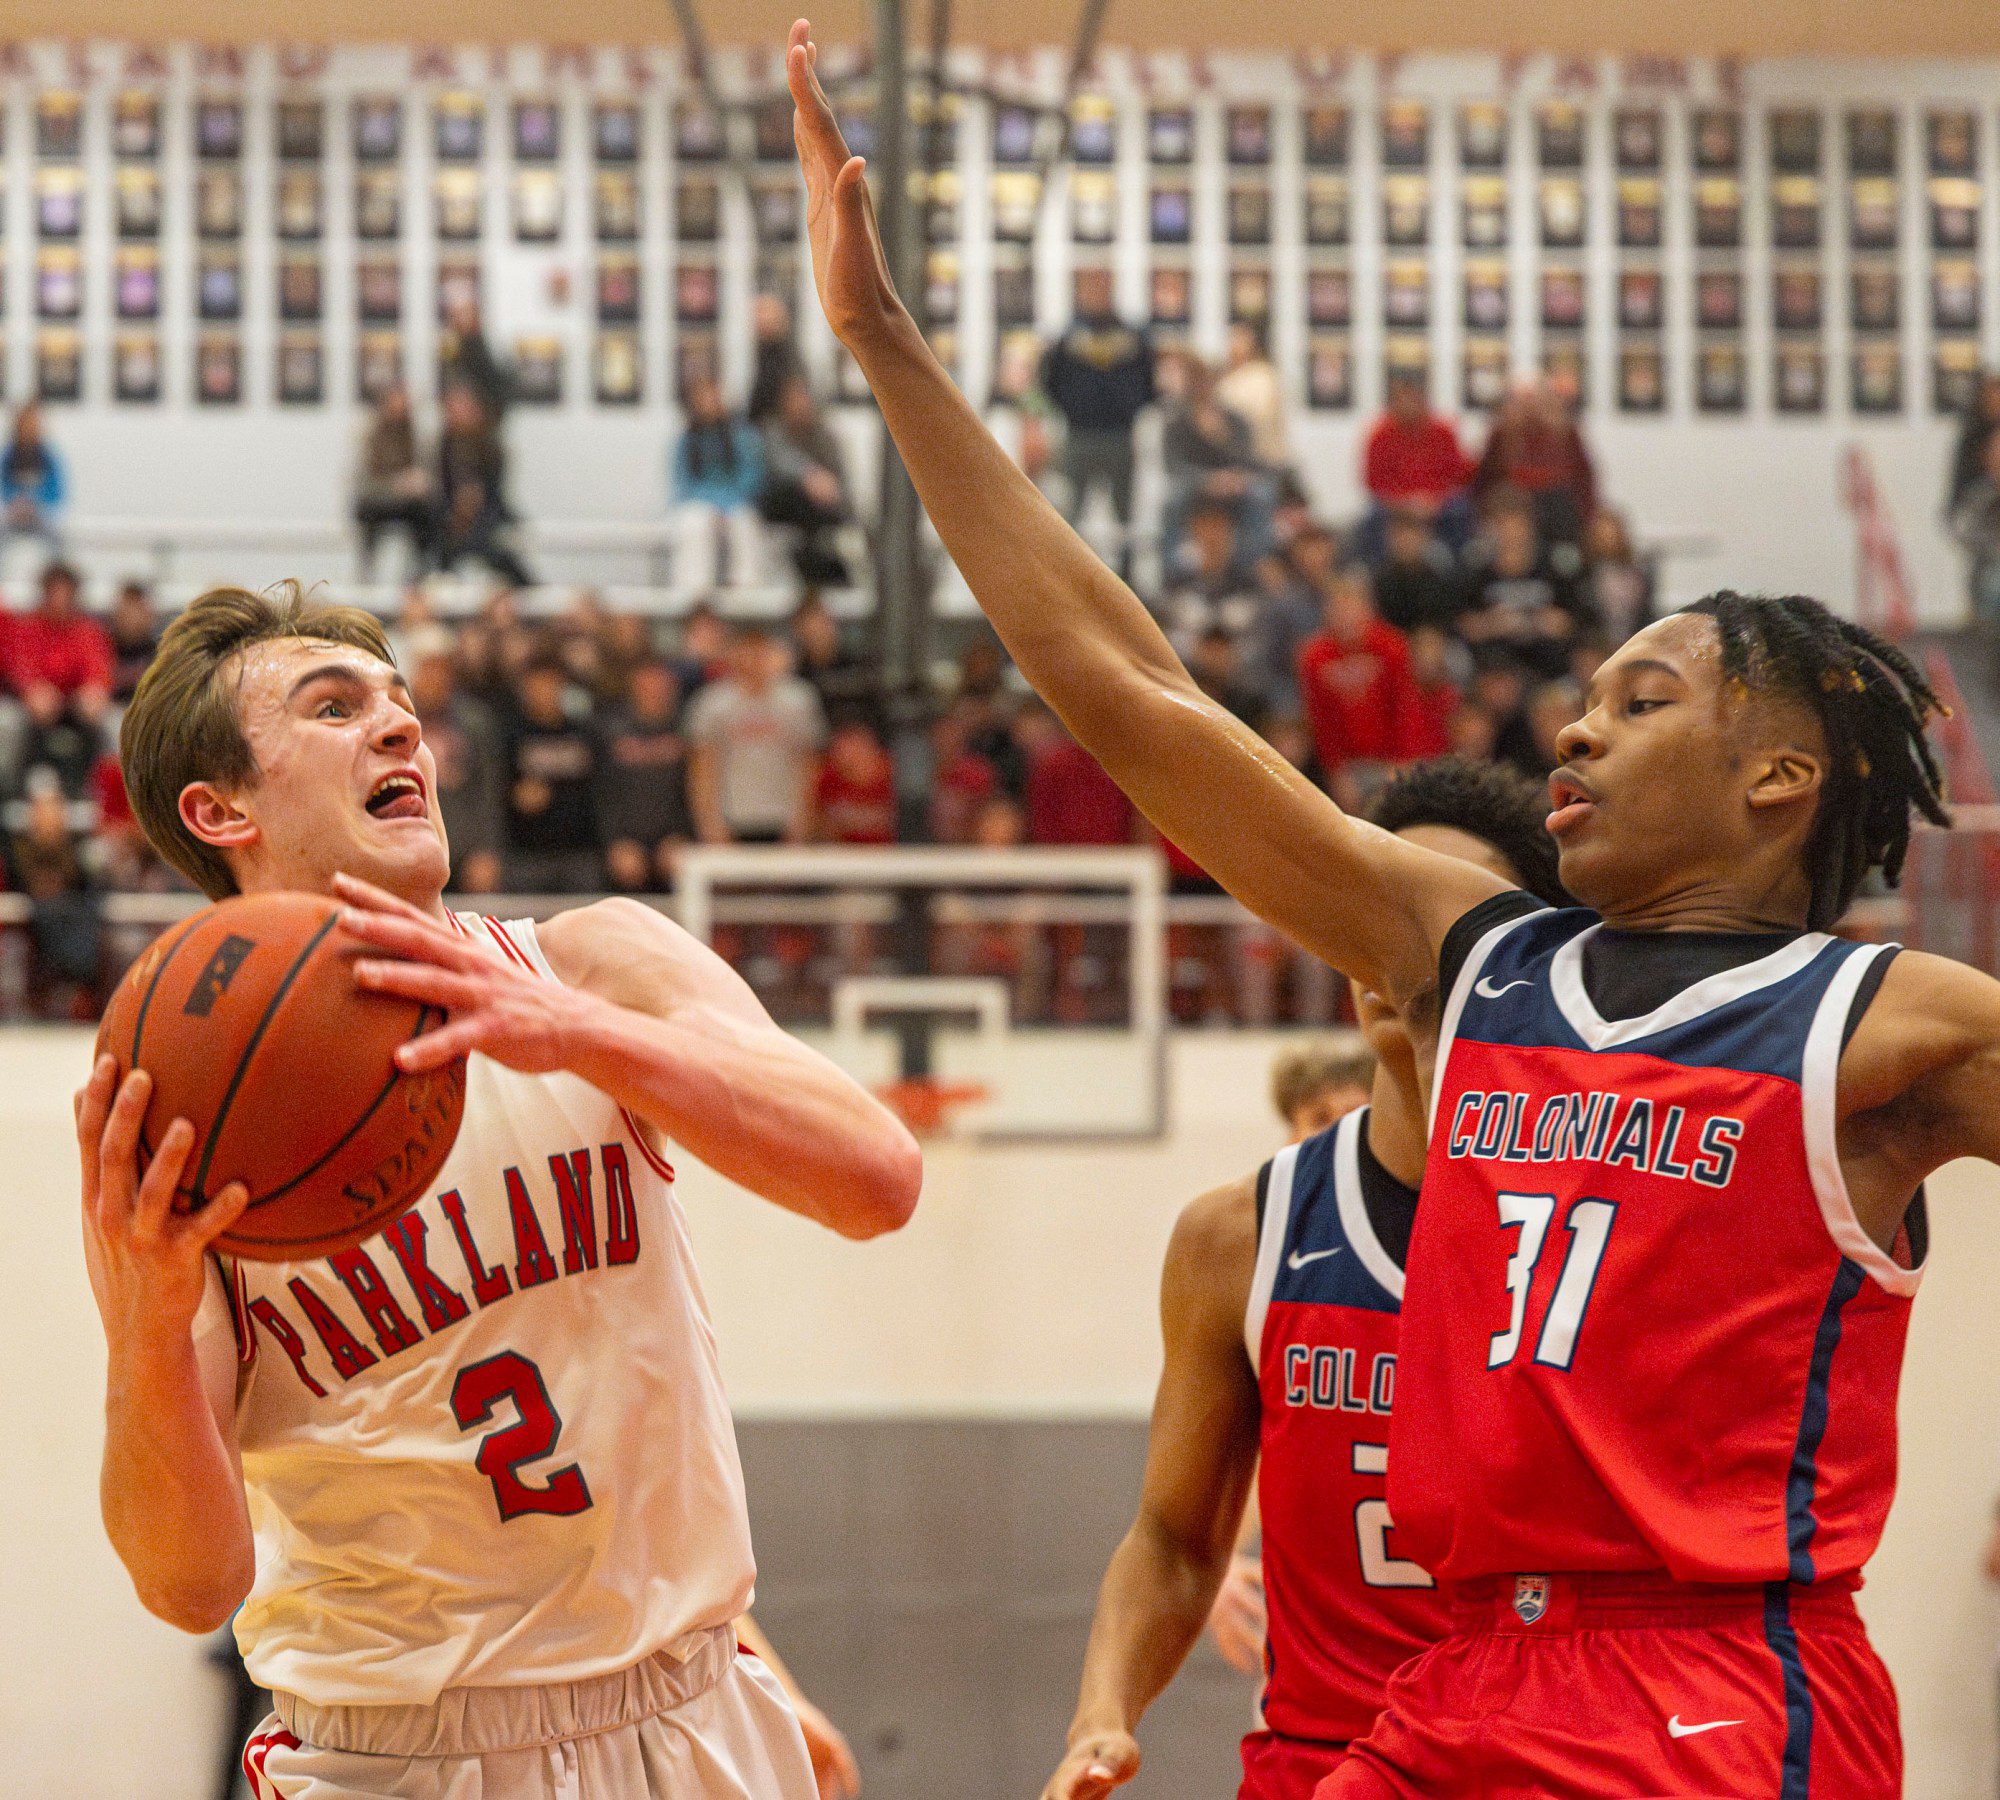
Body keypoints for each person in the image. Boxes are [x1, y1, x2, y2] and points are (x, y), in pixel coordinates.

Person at [790, 37, 2000, 1790]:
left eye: (1644, 701)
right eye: (1585, 696)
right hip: (1451, 1684)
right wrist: (888, 354)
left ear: (1781, 779)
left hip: (1712, 1692)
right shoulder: (1477, 953)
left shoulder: (1886, 1030)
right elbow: (1133, 692)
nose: (1576, 726)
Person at [88, 582, 921, 1798]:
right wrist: (151, 1332)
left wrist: (574, 1030)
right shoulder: (182, 1107)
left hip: (689, 1709)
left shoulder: (590, 961)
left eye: (400, 705)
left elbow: (874, 1179)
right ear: (217, 809)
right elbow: (186, 1586)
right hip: (396, 1750)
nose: (399, 729)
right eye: (334, 708)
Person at [1044, 760, 1568, 1800]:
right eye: (1372, 914)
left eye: (1436, 926)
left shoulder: (1602, 1223)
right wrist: (1100, 1712)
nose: (1395, 954)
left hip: (1546, 1769)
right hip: (1317, 1767)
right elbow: (1175, 1537)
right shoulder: (1236, 1236)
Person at [1038, 266, 1155, 579]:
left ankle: (1127, 581)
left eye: (1102, 286)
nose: (1097, 293)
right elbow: (1050, 381)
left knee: (1125, 515)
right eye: (1091, 286)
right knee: (1070, 513)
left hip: (1119, 436)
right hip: (1080, 435)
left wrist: (1128, 409)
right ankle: (1068, 575)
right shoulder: (1067, 339)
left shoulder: (1132, 338)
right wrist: (1073, 409)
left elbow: (1149, 383)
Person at [685, 624, 826, 845]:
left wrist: (802, 819)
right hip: (732, 816)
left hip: (783, 817)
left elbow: (809, 764)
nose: (751, 660)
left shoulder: (798, 700)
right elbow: (702, 767)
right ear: (732, 654)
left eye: (758, 652)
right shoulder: (712, 702)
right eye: (745, 651)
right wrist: (709, 823)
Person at [1295, 568, 1423, 806]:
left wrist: (1403, 761)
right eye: (1339, 609)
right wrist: (1336, 771)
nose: (1346, 618)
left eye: (1352, 608)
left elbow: (1405, 707)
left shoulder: (1392, 647)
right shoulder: (1314, 657)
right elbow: (1321, 719)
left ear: (1367, 609)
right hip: (1347, 767)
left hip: (1390, 759)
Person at [501, 657, 603, 892]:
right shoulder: (511, 735)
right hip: (527, 854)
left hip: (580, 851)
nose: (544, 691)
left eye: (550, 683)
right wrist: (516, 795)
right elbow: (497, 790)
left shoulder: (584, 733)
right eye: (537, 684)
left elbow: (600, 790)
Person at [597, 659, 694, 892]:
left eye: (660, 684)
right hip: (624, 841)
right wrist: (614, 841)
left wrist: (683, 835)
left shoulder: (687, 729)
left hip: (673, 839)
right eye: (647, 683)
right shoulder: (610, 730)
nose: (654, 691)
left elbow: (696, 790)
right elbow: (601, 792)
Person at [1470, 380, 1597, 547]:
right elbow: (1484, 481)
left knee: (1558, 503)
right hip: (1512, 504)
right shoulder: (1502, 436)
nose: (1531, 409)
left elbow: (1582, 482)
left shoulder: (1566, 435)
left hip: (1553, 507)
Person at [1358, 377, 1471, 561]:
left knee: (1460, 511)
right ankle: (1378, 570)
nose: (1408, 406)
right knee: (1372, 518)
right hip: (1394, 505)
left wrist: (1434, 501)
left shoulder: (1444, 433)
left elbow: (1457, 475)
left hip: (1438, 503)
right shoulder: (1379, 436)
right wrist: (1405, 504)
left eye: (1414, 400)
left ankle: (1456, 568)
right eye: (1402, 400)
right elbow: (1374, 483)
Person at [673, 376, 768, 590]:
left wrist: (726, 505)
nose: (709, 403)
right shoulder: (686, 440)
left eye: (713, 396)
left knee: (744, 523)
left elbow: (753, 476)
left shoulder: (743, 435)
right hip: (700, 504)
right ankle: (695, 592)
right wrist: (711, 505)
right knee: (694, 523)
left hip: (736, 503)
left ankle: (746, 591)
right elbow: (682, 482)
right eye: (703, 398)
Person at [435, 385, 533, 587]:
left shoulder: (489, 446)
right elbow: (445, 491)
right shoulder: (445, 447)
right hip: (452, 522)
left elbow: (494, 492)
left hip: (487, 518)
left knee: (501, 555)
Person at [760, 376, 852, 586]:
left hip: (821, 507)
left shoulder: (823, 435)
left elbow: (838, 477)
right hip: (784, 502)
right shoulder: (773, 429)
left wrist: (826, 485)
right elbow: (777, 463)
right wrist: (809, 476)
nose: (800, 405)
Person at [352, 383, 435, 580]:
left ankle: (418, 576)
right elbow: (363, 484)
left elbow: (427, 473)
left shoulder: (415, 436)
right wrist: (396, 485)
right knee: (366, 515)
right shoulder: (369, 436)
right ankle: (367, 576)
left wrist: (418, 483)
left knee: (429, 514)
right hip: (376, 503)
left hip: (407, 504)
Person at [1214, 321, 1288, 472]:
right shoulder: (1224, 376)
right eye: (1232, 338)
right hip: (1230, 460)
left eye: (1240, 339)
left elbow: (1260, 417)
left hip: (1260, 461)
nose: (1233, 344)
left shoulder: (1262, 376)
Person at [0, 401, 67, 561]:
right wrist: (14, 504)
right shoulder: (8, 455)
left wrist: (36, 504)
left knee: (58, 539)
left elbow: (56, 491)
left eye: (33, 424)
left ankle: (55, 575)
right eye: (25, 424)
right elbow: (3, 486)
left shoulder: (48, 456)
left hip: (40, 514)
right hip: (12, 514)